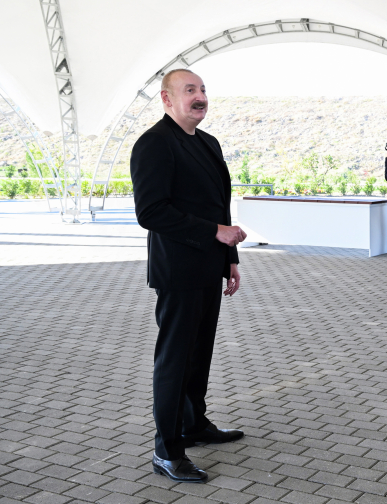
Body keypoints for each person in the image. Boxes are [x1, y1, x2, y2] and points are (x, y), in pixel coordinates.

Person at [130, 69, 245, 484]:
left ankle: (194, 425)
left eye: (202, 90)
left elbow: (220, 206)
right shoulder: (154, 144)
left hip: (208, 267)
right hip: (177, 271)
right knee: (175, 360)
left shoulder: (208, 143)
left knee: (200, 355)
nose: (200, 97)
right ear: (166, 98)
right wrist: (215, 233)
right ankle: (167, 450)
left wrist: (228, 256)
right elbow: (151, 212)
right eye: (190, 91)